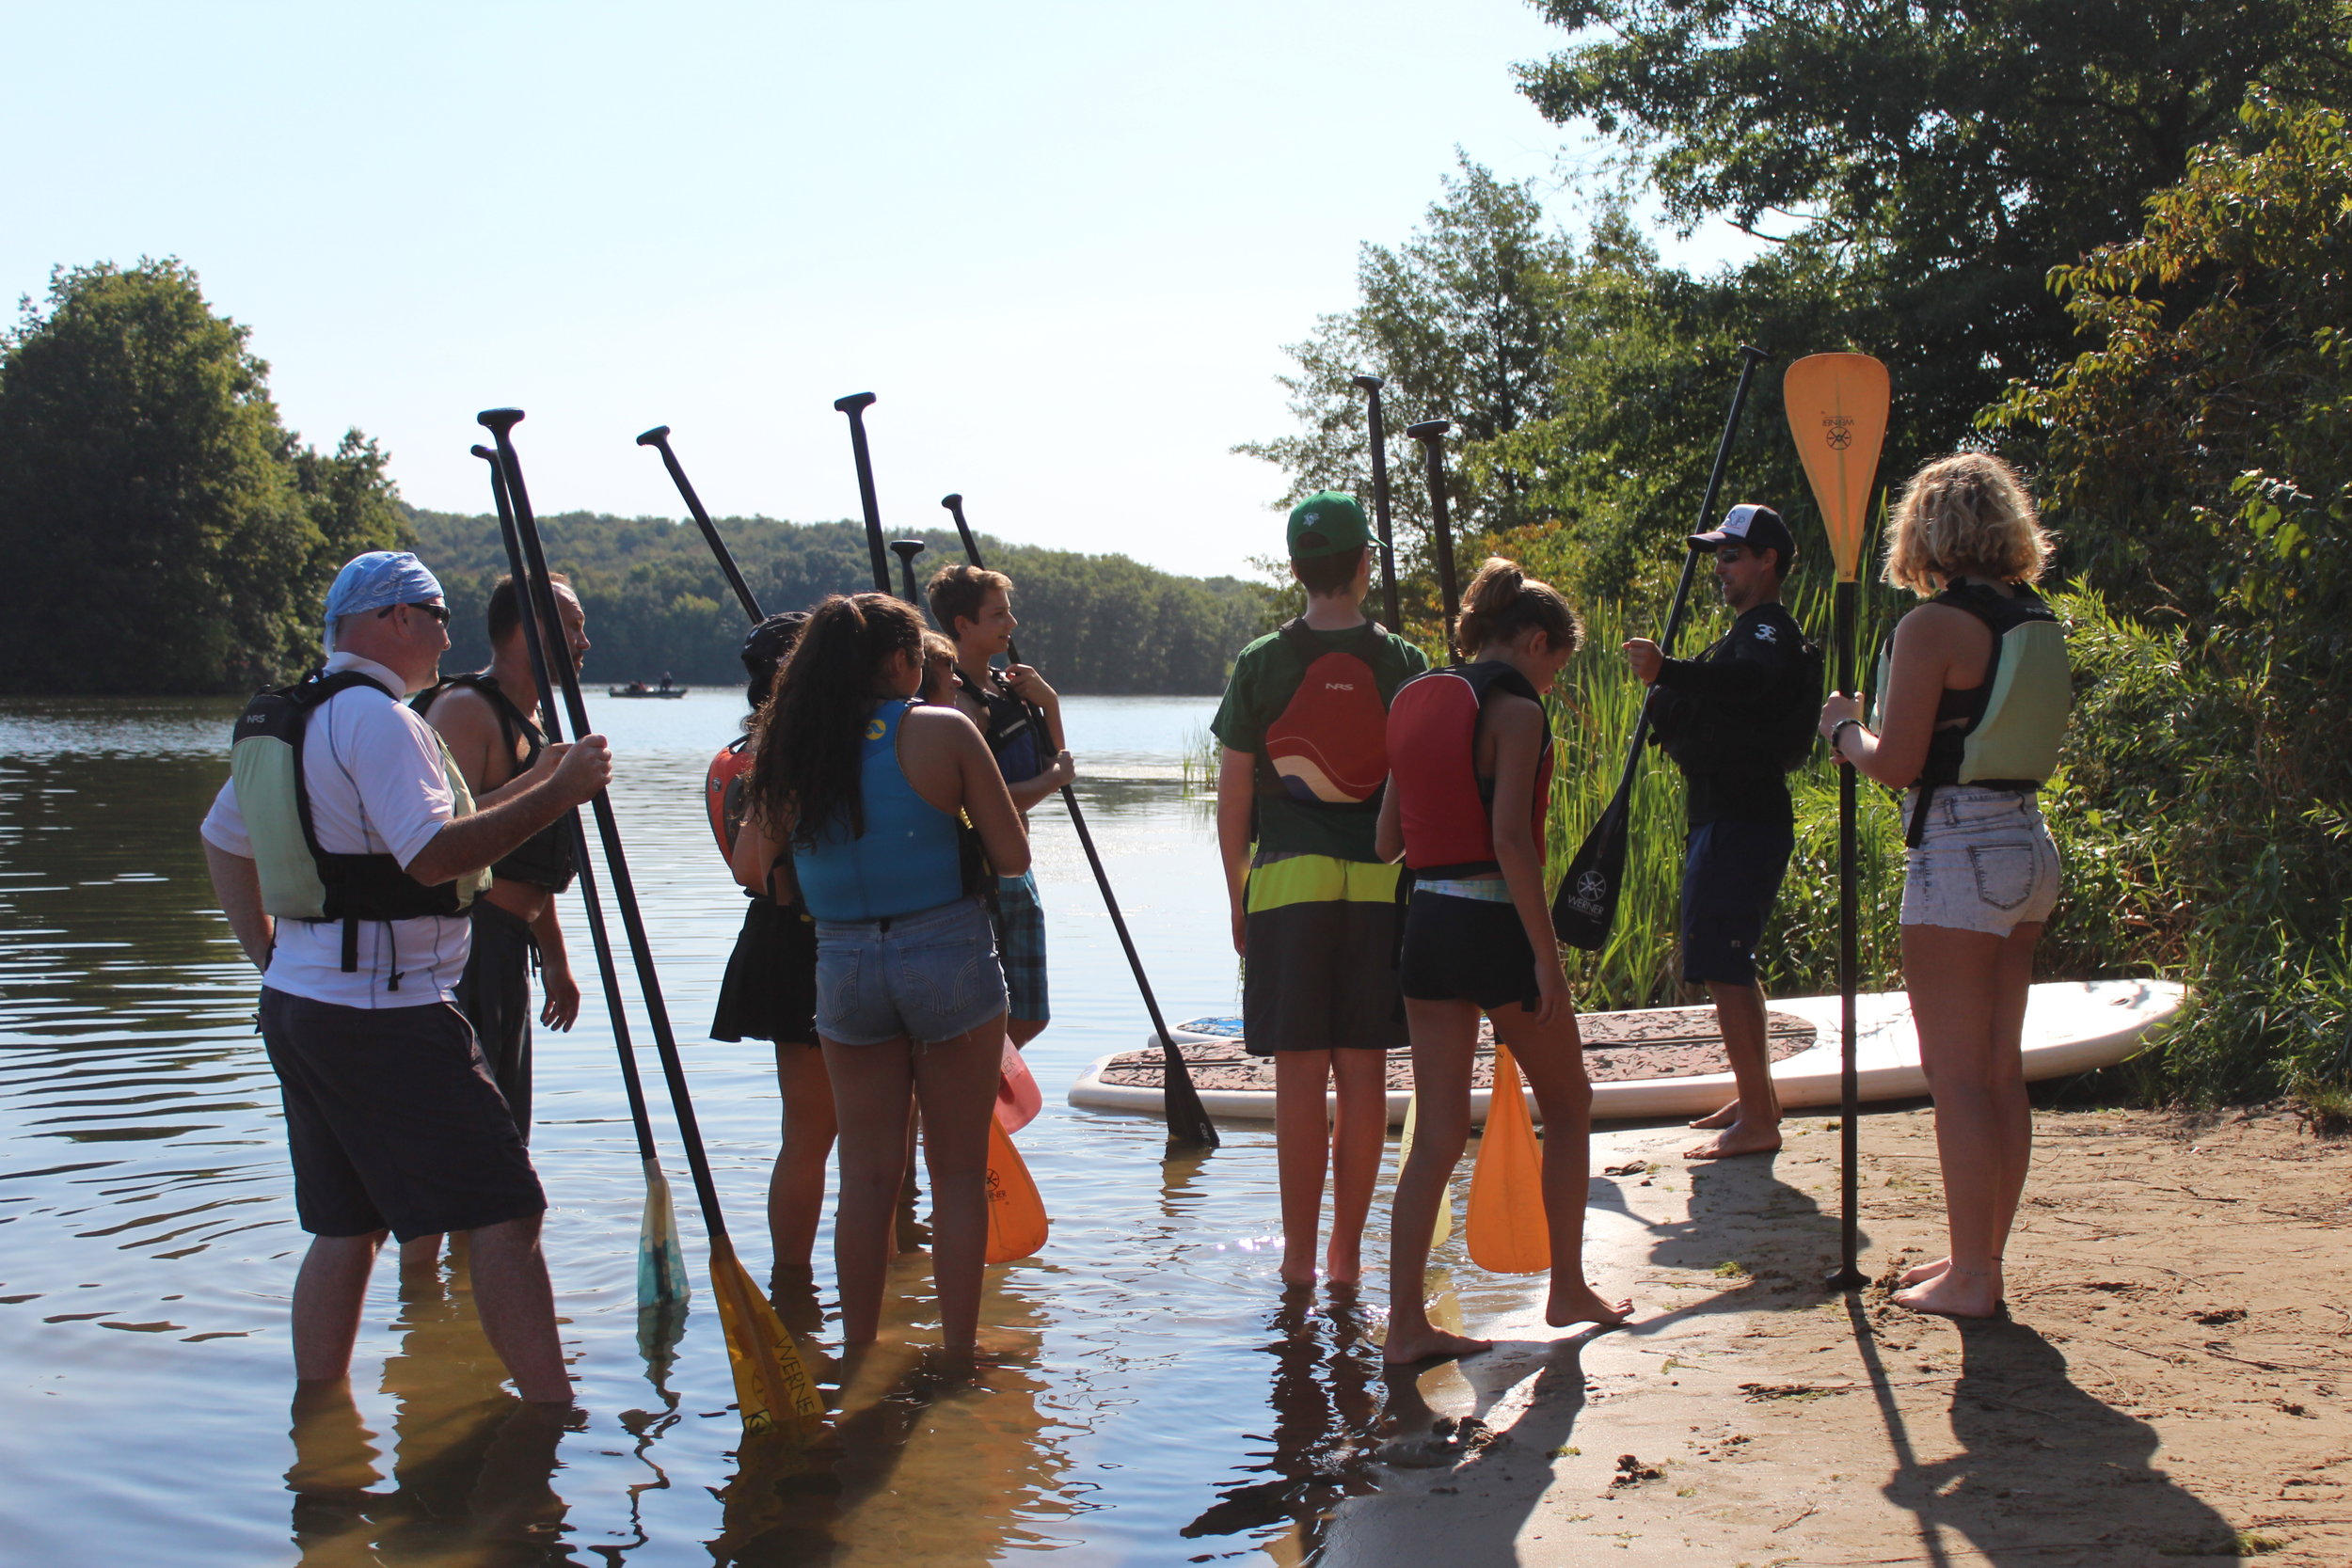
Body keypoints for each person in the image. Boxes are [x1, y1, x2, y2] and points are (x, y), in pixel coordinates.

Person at [199, 551, 612, 1404]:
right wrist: (559, 791)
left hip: (302, 1005)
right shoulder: (380, 720)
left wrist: (270, 956)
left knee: (347, 1226)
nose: (448, 630)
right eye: (435, 611)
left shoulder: (283, 715)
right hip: (387, 1015)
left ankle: (320, 1421)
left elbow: (222, 840)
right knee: (508, 1206)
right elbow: (433, 856)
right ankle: (550, 1416)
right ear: (391, 617)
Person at [732, 593, 1029, 1363]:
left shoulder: (789, 744)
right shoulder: (943, 730)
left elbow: (752, 866)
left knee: (865, 1176)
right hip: (947, 956)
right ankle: (958, 1353)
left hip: (845, 964)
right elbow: (1013, 856)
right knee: (957, 1172)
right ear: (901, 661)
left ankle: (858, 1354)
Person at [1817, 453, 2068, 1320]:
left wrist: (1846, 730)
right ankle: (1980, 1259)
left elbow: (1898, 763)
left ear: (1924, 531)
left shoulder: (1930, 628)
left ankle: (1972, 1276)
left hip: (1959, 852)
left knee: (1958, 1077)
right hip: (2031, 845)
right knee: (1999, 1072)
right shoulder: (2040, 619)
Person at [1378, 559, 1631, 1361]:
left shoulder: (1415, 700)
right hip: (1493, 929)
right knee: (1569, 1100)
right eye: (1557, 663)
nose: (1555, 681)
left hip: (1426, 928)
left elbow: (1387, 842)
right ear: (1533, 640)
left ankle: (1406, 1326)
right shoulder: (1517, 711)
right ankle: (1565, 1287)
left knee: (1437, 1134)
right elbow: (1512, 841)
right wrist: (1546, 962)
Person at [1211, 493, 1427, 1288]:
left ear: (1297, 569)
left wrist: (1238, 891)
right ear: (1365, 564)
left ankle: (1297, 1262)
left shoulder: (1260, 661)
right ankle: (1346, 1259)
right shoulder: (1403, 661)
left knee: (1298, 1074)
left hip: (1287, 886)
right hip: (1378, 882)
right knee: (1363, 1067)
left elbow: (1234, 797)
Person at [1625, 504, 1820, 1160]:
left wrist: (1668, 672)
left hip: (1745, 818)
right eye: (1717, 555)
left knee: (1724, 964)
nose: (1720, 567)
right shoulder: (1742, 632)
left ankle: (1760, 1119)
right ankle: (1755, 1095)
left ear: (1767, 561)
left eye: (1731, 555)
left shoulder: (1767, 632)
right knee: (1728, 962)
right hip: (1723, 816)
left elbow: (1748, 683)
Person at [709, 612, 835, 1310]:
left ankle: (796, 1286)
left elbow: (747, 869)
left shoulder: (764, 747)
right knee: (829, 1136)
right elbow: (753, 866)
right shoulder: (807, 748)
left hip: (783, 943)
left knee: (808, 1135)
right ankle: (802, 1288)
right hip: (814, 944)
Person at [926, 563, 1075, 1055]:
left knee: (1029, 1015)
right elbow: (981, 802)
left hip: (1020, 863)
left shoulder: (1009, 687)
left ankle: (976, 1099)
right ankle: (961, 1105)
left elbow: (1057, 761)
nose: (1010, 624)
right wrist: (1052, 783)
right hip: (980, 871)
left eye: (1009, 612)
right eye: (998, 615)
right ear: (963, 624)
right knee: (992, 1012)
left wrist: (1049, 703)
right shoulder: (952, 702)